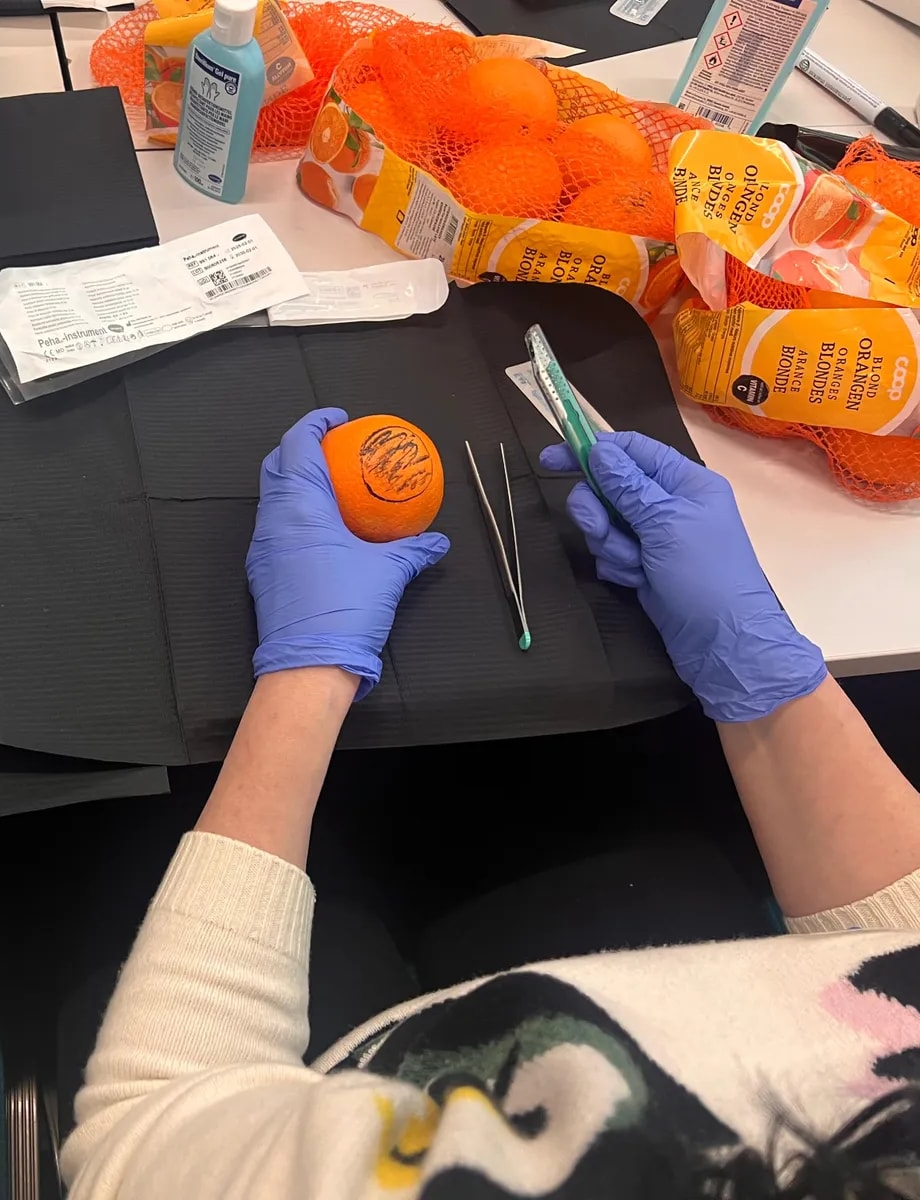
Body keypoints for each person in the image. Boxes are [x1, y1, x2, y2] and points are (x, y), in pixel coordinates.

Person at [62, 410, 920, 1198]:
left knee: (327, 935)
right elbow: (897, 953)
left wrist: (306, 670)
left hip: (346, 1111)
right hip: (669, 1000)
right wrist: (764, 670)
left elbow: (144, 1141)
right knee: (622, 861)